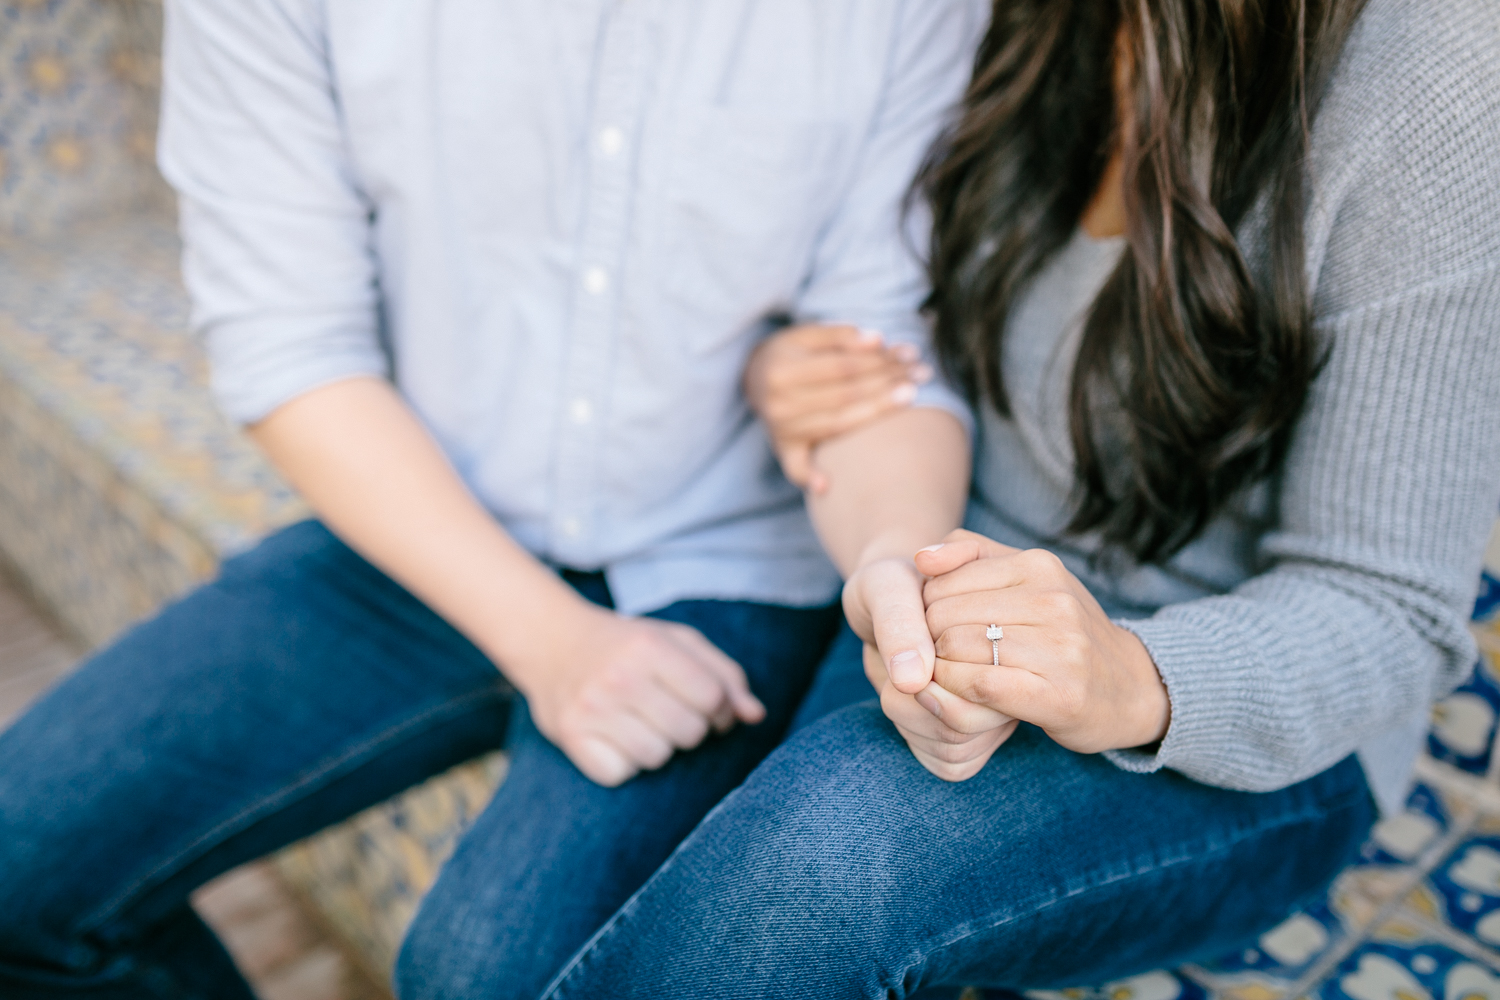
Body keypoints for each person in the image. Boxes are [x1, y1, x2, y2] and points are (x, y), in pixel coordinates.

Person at [0, 2, 995, 998]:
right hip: (421, 522)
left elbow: (879, 356)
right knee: (15, 874)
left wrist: (891, 562)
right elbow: (291, 347)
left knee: (487, 976)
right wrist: (555, 643)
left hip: (729, 554)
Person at [531, 0, 1500, 995]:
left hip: (1231, 706)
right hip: (934, 563)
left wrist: (1127, 675)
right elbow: (875, 286)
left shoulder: (1432, 71)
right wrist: (801, 365)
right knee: (507, 949)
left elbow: (1391, 610)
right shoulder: (1000, 20)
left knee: (828, 854)